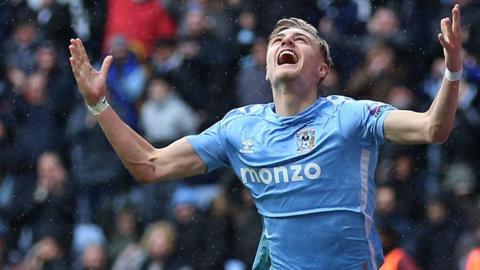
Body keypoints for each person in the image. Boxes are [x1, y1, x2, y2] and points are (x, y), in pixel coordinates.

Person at [68, 4, 463, 269]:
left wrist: (453, 71)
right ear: (267, 69)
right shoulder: (239, 128)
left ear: (323, 69)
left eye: (299, 39)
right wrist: (100, 106)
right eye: (278, 40)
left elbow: (433, 127)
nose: (286, 42)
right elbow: (149, 166)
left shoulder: (350, 115)